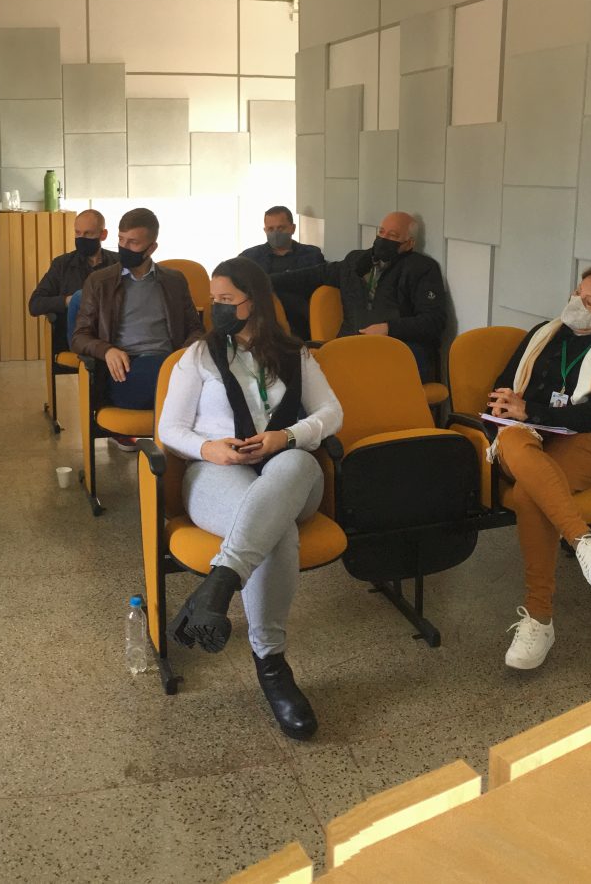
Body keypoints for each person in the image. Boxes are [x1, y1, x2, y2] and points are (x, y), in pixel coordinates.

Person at [156, 258, 342, 739]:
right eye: (212, 300)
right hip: (216, 473)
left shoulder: (295, 354)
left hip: (290, 474)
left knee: (296, 464)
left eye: (226, 300)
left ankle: (221, 581)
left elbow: (332, 413)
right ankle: (272, 665)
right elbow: (169, 428)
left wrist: (289, 436)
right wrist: (208, 448)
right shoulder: (198, 356)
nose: (215, 309)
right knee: (275, 530)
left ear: (254, 302)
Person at [490, 267, 591, 671]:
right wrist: (508, 407)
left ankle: (539, 619)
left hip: (583, 441)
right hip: (522, 440)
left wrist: (533, 410)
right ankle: (583, 540)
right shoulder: (542, 334)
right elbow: (502, 385)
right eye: (577, 292)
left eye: (587, 302)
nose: (575, 303)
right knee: (514, 440)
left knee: (529, 493)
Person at [71, 208, 205, 449]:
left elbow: (196, 329)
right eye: (121, 239)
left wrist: (182, 357)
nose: (124, 247)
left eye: (133, 243)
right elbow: (79, 337)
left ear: (151, 248)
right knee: (192, 386)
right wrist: (107, 350)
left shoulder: (173, 281)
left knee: (204, 375)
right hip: (126, 370)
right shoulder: (100, 282)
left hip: (171, 364)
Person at [271, 210, 449, 381]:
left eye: (393, 235)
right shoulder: (356, 261)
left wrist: (388, 328)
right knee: (302, 371)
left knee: (355, 378)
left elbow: (434, 321)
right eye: (381, 232)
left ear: (409, 244)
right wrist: (265, 281)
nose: (384, 238)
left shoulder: (422, 269)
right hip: (349, 345)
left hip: (398, 350)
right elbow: (314, 275)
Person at [26, 209, 114, 351]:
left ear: (103, 235)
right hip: (77, 335)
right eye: (78, 233)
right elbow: (35, 304)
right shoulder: (62, 265)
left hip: (112, 333)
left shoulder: (117, 263)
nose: (81, 238)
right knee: (79, 296)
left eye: (88, 233)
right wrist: (69, 301)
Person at [236, 205, 326, 339]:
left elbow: (315, 285)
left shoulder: (311, 255)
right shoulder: (249, 257)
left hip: (300, 319)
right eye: (271, 229)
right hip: (261, 319)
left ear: (292, 228)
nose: (275, 233)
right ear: (265, 230)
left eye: (281, 228)